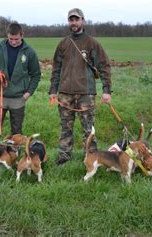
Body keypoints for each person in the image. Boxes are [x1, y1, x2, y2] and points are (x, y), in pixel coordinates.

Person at [49, 8, 112, 165]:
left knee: (89, 130)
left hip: (86, 94)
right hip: (64, 94)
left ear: (83, 21)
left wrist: (106, 91)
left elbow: (104, 66)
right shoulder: (63, 44)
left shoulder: (92, 44)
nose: (74, 23)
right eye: (71, 20)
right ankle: (64, 156)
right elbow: (56, 69)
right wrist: (53, 91)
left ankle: (92, 157)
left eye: (76, 19)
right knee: (65, 128)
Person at [0, 22, 41, 143]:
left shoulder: (29, 52)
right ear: (7, 35)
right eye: (11, 39)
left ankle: (15, 157)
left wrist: (28, 93)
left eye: (16, 39)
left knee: (17, 132)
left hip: (18, 98)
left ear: (22, 35)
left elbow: (36, 75)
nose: (14, 42)